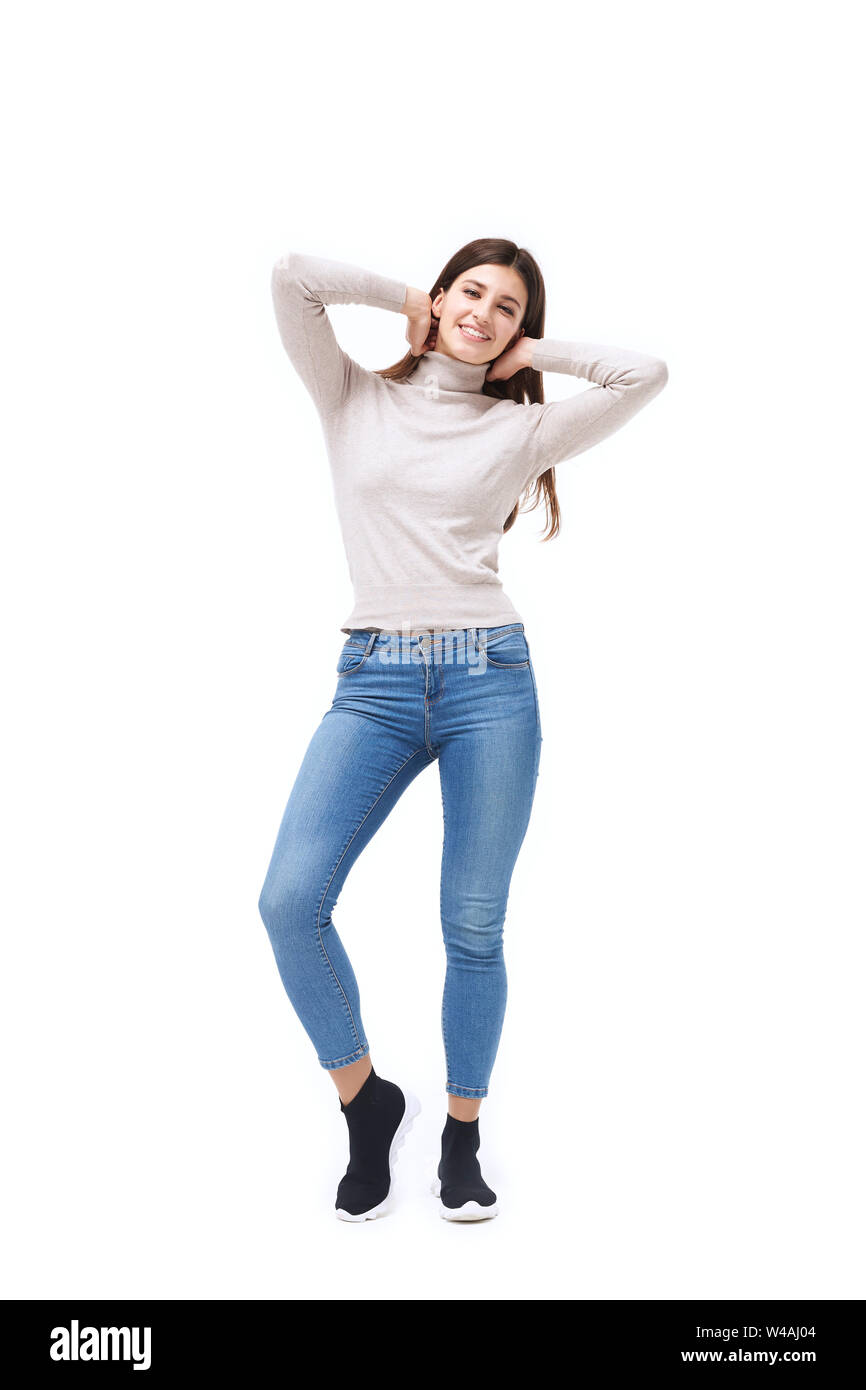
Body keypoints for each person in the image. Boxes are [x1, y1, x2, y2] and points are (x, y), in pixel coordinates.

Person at [258, 240, 668, 1222]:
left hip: (492, 682)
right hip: (374, 684)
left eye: (506, 305)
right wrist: (406, 298)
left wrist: (524, 354)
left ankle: (461, 1133)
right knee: (288, 899)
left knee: (471, 925)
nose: (483, 312)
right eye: (468, 293)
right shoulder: (352, 397)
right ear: (440, 299)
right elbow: (291, 277)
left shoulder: (517, 431)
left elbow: (643, 374)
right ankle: (366, 1102)